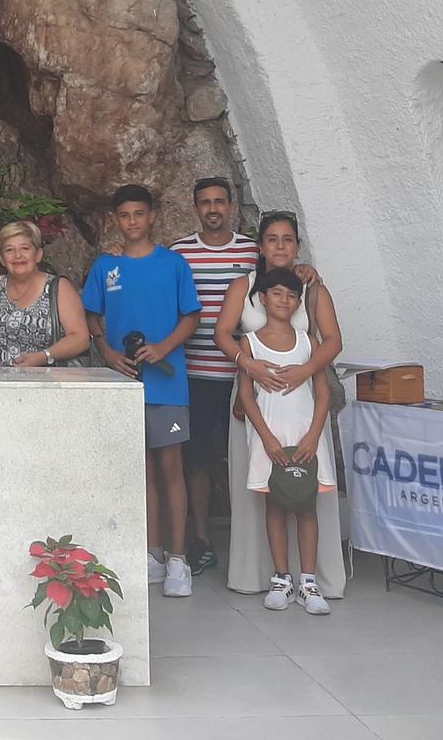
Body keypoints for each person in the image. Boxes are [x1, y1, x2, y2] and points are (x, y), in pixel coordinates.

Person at [214, 210, 346, 597]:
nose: (280, 246)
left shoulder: (312, 287)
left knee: (306, 488)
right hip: (255, 399)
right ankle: (262, 574)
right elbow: (223, 332)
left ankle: (312, 578)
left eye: (288, 239)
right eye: (272, 239)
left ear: (298, 246)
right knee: (258, 489)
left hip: (303, 399)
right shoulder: (245, 285)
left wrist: (306, 371)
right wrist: (248, 364)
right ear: (260, 245)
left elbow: (333, 341)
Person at [83, 184, 201, 598]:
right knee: (141, 471)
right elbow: (92, 317)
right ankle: (151, 553)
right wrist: (109, 352)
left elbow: (191, 317)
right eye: (124, 215)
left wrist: (163, 347)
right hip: (123, 384)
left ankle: (178, 558)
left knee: (172, 468)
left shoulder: (174, 265)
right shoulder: (105, 268)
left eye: (139, 214)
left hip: (167, 383)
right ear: (115, 220)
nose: (132, 221)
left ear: (152, 217)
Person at [169, 177, 259, 575]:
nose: (212, 209)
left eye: (219, 202)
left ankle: (252, 542)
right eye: (204, 202)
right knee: (198, 461)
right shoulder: (179, 253)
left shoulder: (253, 252)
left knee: (249, 459)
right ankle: (202, 540)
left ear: (231, 206)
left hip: (247, 376)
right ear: (195, 208)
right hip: (196, 374)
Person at [234, 267, 335, 615]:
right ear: (262, 298)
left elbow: (322, 394)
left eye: (292, 295)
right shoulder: (250, 343)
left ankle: (309, 582)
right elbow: (246, 397)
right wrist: (266, 439)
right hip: (269, 440)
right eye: (276, 293)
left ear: (297, 303)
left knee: (307, 505)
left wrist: (312, 435)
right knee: (274, 505)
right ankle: (282, 578)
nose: (284, 300)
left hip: (307, 437)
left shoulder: (309, 342)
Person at [0, 220, 90, 366]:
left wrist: (44, 356)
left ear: (38, 254)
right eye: (9, 250)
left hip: (45, 382)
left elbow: (80, 338)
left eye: (25, 248)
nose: (18, 255)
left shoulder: (58, 288)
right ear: (2, 259)